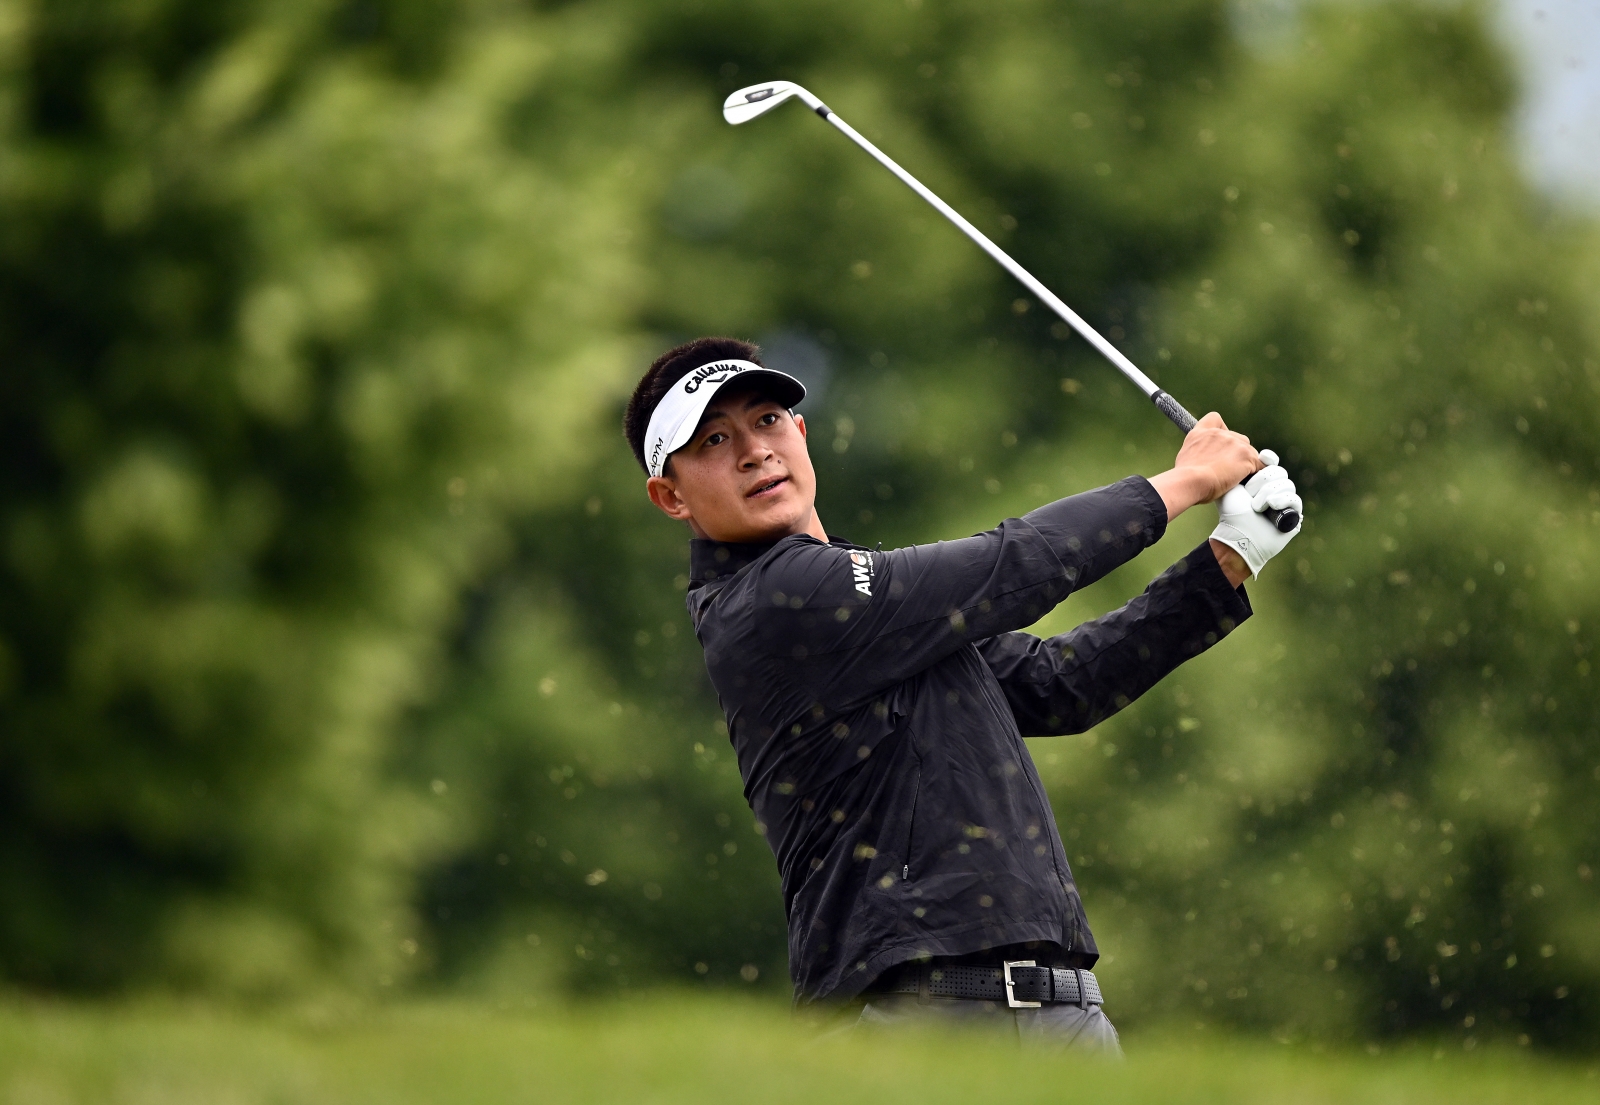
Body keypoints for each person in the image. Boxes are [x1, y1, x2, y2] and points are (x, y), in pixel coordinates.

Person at [623, 336, 1302, 1051]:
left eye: (766, 420)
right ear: (671, 496)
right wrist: (1184, 482)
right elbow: (1011, 564)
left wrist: (1232, 557)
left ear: (801, 432)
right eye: (714, 439)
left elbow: (1060, 685)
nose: (754, 450)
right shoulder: (772, 603)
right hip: (911, 1023)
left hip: (1064, 1015)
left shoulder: (873, 612)